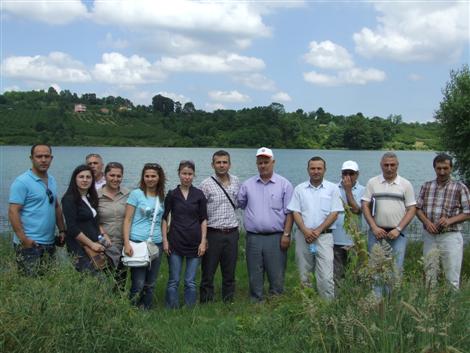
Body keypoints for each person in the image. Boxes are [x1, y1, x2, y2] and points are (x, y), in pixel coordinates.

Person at [237, 147, 294, 302]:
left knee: (276, 271)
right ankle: (256, 299)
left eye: (266, 162)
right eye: (260, 162)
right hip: (254, 237)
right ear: (256, 164)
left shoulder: (285, 185)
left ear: (273, 162)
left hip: (276, 236)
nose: (263, 165)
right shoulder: (247, 185)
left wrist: (286, 234)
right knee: (254, 270)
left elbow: (290, 213)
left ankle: (276, 299)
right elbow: (240, 204)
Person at [287, 156, 343, 300]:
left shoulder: (332, 189)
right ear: (308, 170)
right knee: (304, 274)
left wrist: (317, 231)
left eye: (319, 168)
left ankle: (326, 308)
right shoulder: (300, 189)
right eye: (313, 168)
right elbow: (295, 212)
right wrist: (305, 230)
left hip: (324, 237)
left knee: (325, 276)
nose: (316, 171)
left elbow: (334, 213)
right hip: (303, 236)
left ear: (325, 170)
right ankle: (308, 305)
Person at [361, 152, 416, 295]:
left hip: (397, 234)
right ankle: (376, 301)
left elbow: (411, 209)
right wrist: (373, 227)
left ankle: (392, 303)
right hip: (376, 233)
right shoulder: (372, 182)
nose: (389, 168)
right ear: (381, 165)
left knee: (396, 269)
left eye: (392, 165)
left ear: (397, 165)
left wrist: (398, 229)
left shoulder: (405, 184)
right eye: (386, 165)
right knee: (376, 268)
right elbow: (365, 205)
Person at [8, 144, 66, 276]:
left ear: (51, 158)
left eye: (47, 156)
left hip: (49, 242)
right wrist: (24, 240)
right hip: (30, 244)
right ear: (31, 158)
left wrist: (62, 230)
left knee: (48, 283)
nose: (43, 160)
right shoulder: (22, 182)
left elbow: (56, 206)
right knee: (30, 285)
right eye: (39, 156)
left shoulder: (51, 180)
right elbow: (13, 211)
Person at [416, 153, 470, 289]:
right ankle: (430, 306)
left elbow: (467, 212)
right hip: (430, 236)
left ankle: (451, 308)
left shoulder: (460, 187)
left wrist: (450, 220)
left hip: (450, 236)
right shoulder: (426, 186)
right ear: (434, 168)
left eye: (445, 168)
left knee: (452, 276)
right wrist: (427, 222)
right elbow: (417, 209)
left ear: (451, 168)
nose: (442, 172)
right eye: (439, 168)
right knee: (429, 274)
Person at [162, 160, 207, 308]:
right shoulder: (172, 194)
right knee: (174, 280)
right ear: (179, 174)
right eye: (184, 173)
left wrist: (203, 242)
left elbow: (203, 220)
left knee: (190, 281)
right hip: (175, 241)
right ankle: (171, 307)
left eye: (190, 174)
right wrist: (165, 241)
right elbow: (164, 219)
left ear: (194, 175)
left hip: (195, 243)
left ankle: (189, 308)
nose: (187, 177)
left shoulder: (199, 195)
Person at [123, 163, 166, 309]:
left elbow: (163, 221)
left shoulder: (162, 196)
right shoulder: (136, 194)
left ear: (159, 177)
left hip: (156, 243)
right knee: (138, 283)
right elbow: (127, 219)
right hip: (137, 242)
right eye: (147, 176)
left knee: (151, 282)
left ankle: (146, 308)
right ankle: (131, 309)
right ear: (143, 177)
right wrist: (127, 243)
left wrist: (165, 240)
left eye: (153, 176)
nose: (150, 179)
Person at [199, 150, 240, 303]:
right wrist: (203, 238)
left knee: (229, 271)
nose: (222, 165)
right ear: (213, 165)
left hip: (232, 232)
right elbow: (200, 213)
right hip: (213, 233)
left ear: (229, 164)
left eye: (225, 162)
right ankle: (206, 302)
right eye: (218, 162)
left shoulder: (236, 181)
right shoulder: (205, 184)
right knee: (208, 271)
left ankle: (228, 301)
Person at [62, 164, 110, 272]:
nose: (85, 180)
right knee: (92, 279)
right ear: (75, 179)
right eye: (81, 177)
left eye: (88, 177)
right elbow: (72, 228)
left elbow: (94, 223)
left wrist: (103, 236)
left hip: (95, 245)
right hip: (79, 247)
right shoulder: (69, 199)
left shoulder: (89, 198)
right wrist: (91, 244)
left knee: (101, 277)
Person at [332, 160, 365, 287]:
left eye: (351, 173)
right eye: (345, 173)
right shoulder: (333, 188)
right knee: (337, 274)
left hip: (354, 241)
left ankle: (353, 298)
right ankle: (337, 300)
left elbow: (357, 210)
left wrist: (348, 191)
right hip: (336, 239)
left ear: (357, 174)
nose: (348, 177)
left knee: (354, 273)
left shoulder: (363, 190)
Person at [97, 162, 130, 288]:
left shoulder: (128, 194)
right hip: (104, 246)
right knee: (103, 282)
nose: (115, 179)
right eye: (112, 175)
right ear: (105, 176)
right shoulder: (96, 195)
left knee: (121, 281)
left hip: (123, 244)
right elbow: (93, 220)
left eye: (119, 176)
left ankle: (119, 306)